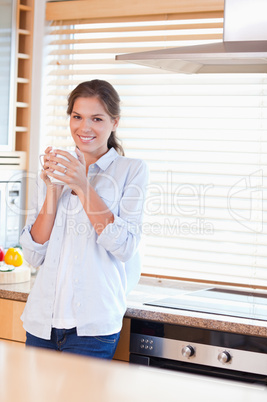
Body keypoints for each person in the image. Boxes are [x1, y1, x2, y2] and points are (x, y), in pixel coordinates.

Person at [20, 79, 148, 359]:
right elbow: (33, 254)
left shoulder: (131, 171)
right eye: (77, 117)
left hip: (93, 329)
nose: (84, 127)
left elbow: (125, 247)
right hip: (41, 323)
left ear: (115, 122)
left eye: (97, 118)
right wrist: (53, 188)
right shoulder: (57, 166)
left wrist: (82, 184)